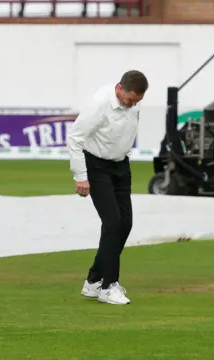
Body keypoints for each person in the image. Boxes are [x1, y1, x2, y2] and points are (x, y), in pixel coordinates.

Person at [67, 70, 148, 305]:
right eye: (130, 99)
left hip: (121, 166)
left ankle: (93, 280)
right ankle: (108, 285)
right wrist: (81, 176)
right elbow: (74, 138)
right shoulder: (100, 104)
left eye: (137, 101)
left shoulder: (134, 104)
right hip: (96, 166)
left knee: (125, 224)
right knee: (112, 222)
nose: (133, 104)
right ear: (119, 89)